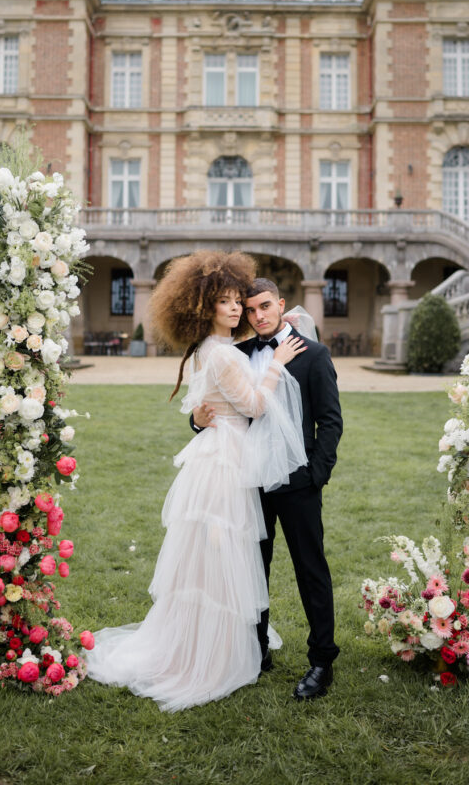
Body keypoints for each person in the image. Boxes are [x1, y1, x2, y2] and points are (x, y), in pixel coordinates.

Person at [85, 252, 308, 711]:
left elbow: (205, 403)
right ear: (204, 307)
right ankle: (209, 653)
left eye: (235, 301)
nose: (233, 308)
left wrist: (198, 416)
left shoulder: (209, 349)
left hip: (217, 454)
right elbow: (254, 407)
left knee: (211, 556)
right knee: (221, 554)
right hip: (225, 461)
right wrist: (276, 363)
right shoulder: (223, 353)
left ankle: (205, 640)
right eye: (223, 301)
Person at [191, 277, 342, 700]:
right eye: (250, 308)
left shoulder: (312, 355)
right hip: (246, 480)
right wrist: (196, 422)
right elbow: (218, 405)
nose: (257, 315)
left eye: (264, 307)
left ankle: (321, 661)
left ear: (280, 305)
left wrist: (316, 474)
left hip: (296, 482)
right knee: (251, 567)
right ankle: (255, 650)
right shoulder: (235, 354)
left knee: (309, 569)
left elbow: (330, 421)